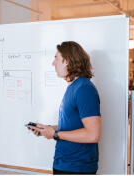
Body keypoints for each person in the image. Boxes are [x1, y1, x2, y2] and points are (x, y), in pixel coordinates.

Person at [28, 41, 101, 175]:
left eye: (56, 59)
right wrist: (48, 129)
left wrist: (55, 134)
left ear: (67, 61)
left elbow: (93, 134)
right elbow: (72, 125)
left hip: (77, 167)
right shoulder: (73, 87)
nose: (53, 63)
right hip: (64, 163)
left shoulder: (84, 89)